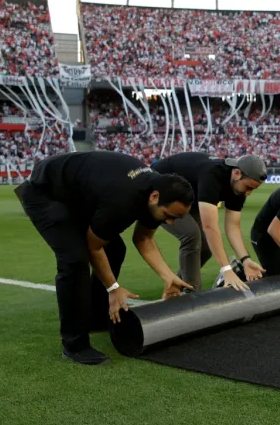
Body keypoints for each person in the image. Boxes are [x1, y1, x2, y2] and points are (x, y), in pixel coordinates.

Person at [14, 150, 195, 365]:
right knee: (74, 259)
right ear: (154, 197)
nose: (171, 223)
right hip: (46, 194)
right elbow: (94, 247)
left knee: (116, 249)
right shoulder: (123, 199)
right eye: (169, 216)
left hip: (79, 195)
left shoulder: (157, 191)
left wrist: (167, 276)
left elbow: (144, 238)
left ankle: (96, 318)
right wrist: (113, 288)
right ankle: (74, 345)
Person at [151, 152, 268, 292]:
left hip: (189, 196)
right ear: (236, 173)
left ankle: (179, 286)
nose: (248, 193)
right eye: (248, 187)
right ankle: (192, 295)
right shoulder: (213, 175)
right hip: (161, 192)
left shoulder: (238, 189)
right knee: (191, 235)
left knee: (205, 247)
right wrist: (226, 269)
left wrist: (246, 260)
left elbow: (232, 227)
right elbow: (210, 227)